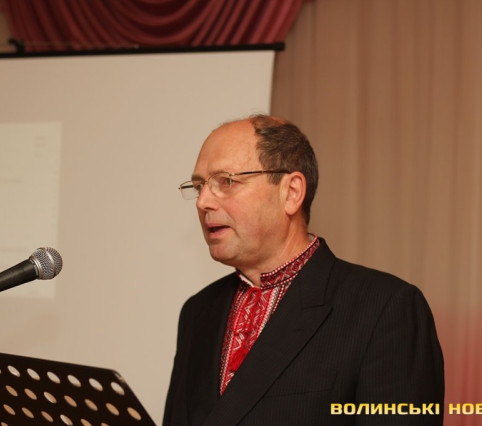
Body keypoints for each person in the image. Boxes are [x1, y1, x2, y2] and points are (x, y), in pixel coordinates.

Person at [164, 114, 444, 425]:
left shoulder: (383, 308)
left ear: (291, 192)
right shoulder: (198, 312)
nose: (202, 201)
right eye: (199, 186)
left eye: (226, 181)